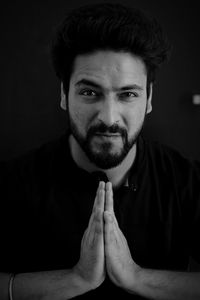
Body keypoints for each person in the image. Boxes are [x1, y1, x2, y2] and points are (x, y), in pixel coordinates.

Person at [0, 2, 200, 299]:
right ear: (64, 94)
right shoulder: (12, 183)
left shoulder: (188, 182)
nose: (108, 116)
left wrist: (136, 277)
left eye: (128, 94)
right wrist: (74, 280)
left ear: (148, 99)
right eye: (90, 92)